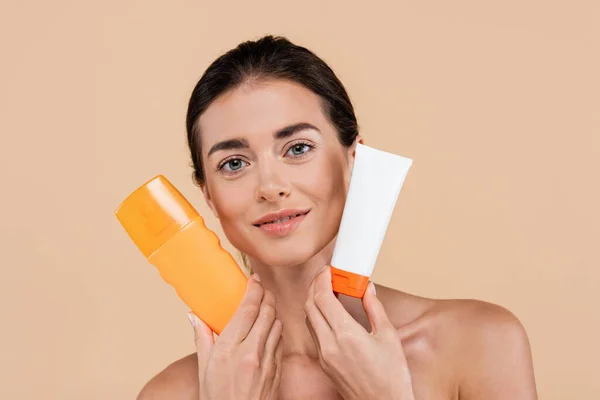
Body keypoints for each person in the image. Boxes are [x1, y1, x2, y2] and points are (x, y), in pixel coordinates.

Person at [137, 35, 537, 399]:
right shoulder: (177, 393)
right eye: (234, 162)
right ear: (208, 195)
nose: (270, 187)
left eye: (297, 148)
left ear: (354, 160)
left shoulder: (479, 344)